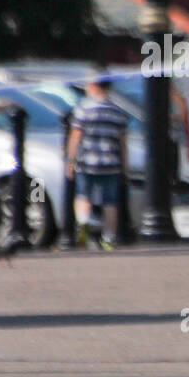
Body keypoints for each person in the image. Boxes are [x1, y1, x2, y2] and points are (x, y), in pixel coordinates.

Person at [66, 78, 129, 251]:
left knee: (83, 197)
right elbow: (123, 143)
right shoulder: (117, 111)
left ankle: (82, 235)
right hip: (111, 163)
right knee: (110, 202)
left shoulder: (83, 110)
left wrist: (70, 160)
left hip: (87, 161)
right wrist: (125, 167)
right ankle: (108, 239)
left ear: (94, 85)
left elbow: (76, 136)